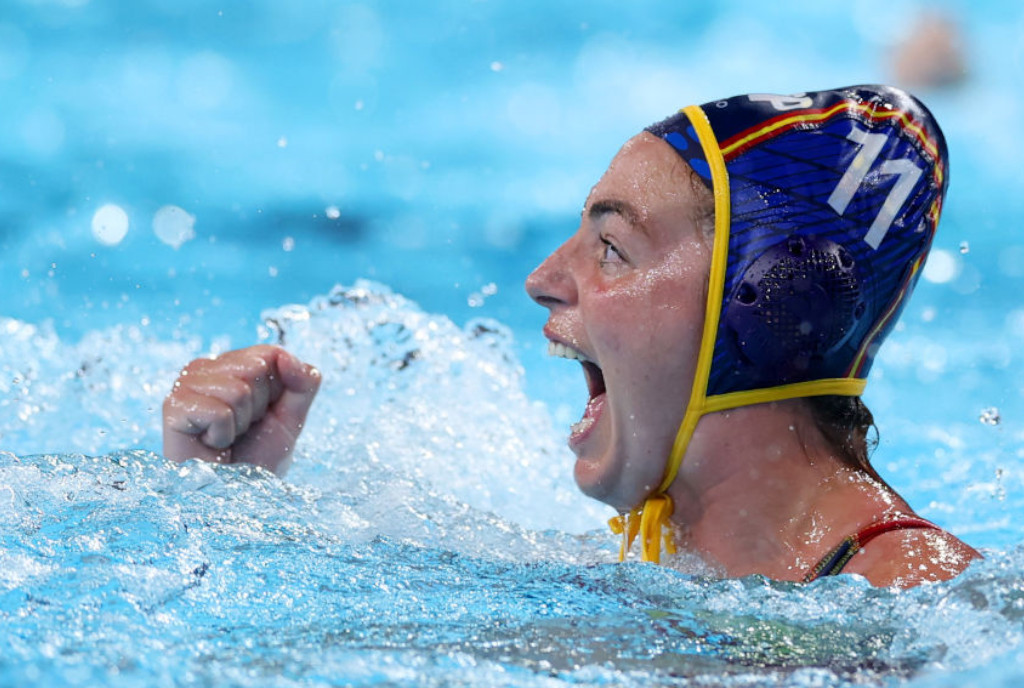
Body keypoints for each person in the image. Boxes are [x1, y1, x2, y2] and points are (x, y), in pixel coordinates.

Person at [163, 85, 980, 588]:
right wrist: (223, 506)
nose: (545, 279)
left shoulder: (910, 594)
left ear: (766, 310)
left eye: (613, 247)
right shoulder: (668, 576)